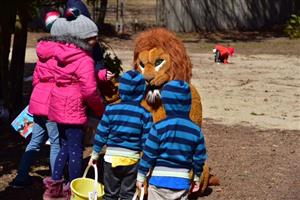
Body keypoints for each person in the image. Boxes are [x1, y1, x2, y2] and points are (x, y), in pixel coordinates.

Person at [42, 13, 105, 199]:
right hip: (73, 109)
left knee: (65, 146)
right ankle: (73, 188)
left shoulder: (62, 55)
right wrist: (102, 111)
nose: (96, 40)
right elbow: (90, 91)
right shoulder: (85, 59)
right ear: (82, 39)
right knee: (76, 150)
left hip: (58, 106)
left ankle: (54, 187)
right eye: (93, 37)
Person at [10, 12, 66, 189]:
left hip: (38, 101)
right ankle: (56, 180)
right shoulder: (63, 53)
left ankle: (20, 177)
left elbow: (35, 79)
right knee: (55, 142)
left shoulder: (43, 51)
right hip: (52, 103)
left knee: (35, 141)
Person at [136, 80, 207, 200]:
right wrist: (196, 178)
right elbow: (199, 158)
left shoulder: (158, 127)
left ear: (165, 103)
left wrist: (140, 176)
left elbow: (148, 154)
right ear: (188, 103)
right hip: (182, 182)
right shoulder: (195, 131)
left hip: (158, 181)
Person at [88, 70, 153, 200]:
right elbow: (148, 142)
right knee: (127, 195)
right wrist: (148, 164)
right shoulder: (145, 114)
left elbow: (101, 133)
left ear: (121, 90)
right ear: (142, 92)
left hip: (111, 158)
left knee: (110, 194)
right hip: (132, 160)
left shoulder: (111, 110)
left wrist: (95, 153)